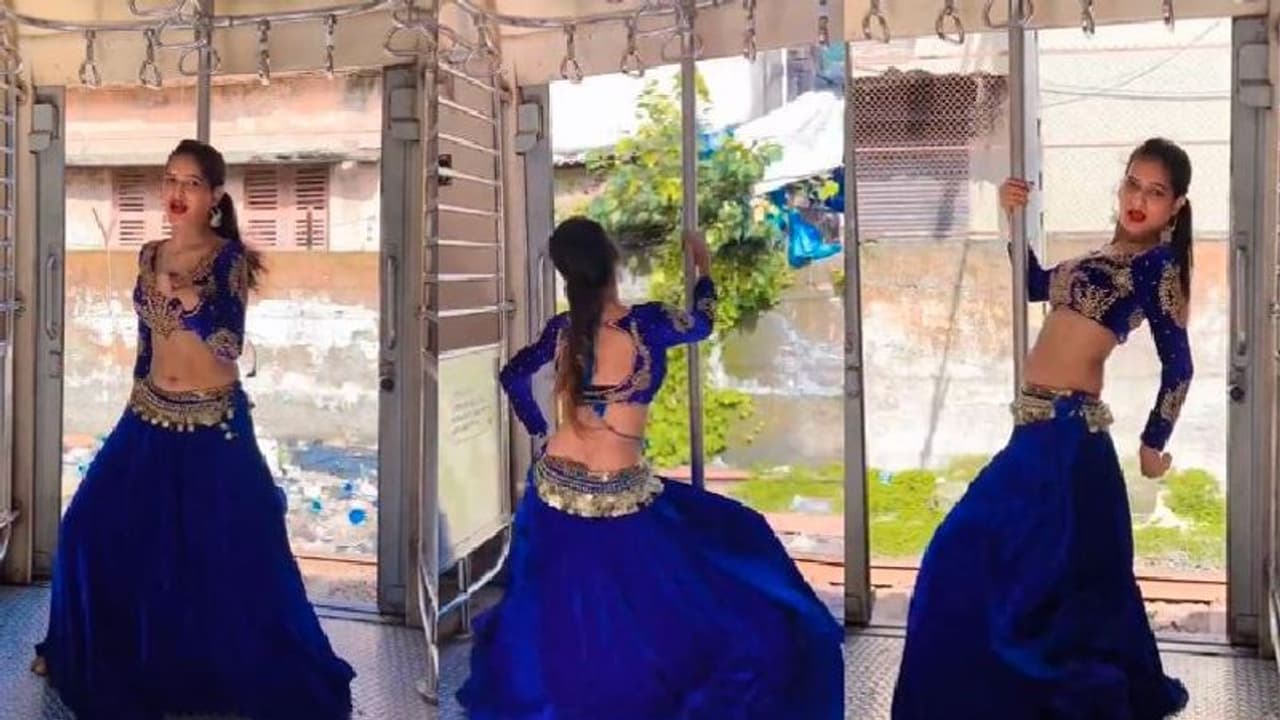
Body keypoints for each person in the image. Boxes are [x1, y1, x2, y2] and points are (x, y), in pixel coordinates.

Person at [457, 217, 844, 719]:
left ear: (566, 274)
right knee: (733, 546)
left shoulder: (561, 330)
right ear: (612, 261)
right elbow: (702, 321)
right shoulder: (649, 324)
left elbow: (513, 376)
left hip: (552, 491)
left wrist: (539, 429)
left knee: (558, 616)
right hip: (620, 497)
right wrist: (703, 267)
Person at [32, 139, 356, 720]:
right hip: (147, 414)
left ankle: (228, 672)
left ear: (215, 196)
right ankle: (82, 648)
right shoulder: (148, 253)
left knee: (233, 552)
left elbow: (229, 343)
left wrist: (188, 299)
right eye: (170, 180)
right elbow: (146, 340)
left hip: (214, 423)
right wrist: (135, 396)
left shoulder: (228, 259)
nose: (177, 192)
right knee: (85, 529)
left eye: (191, 183)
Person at [891, 137, 1194, 719]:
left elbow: (1178, 365)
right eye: (1133, 184)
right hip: (1036, 431)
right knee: (1028, 578)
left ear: (1175, 207)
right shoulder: (1097, 258)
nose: (1139, 200)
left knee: (972, 556)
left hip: (1068, 437)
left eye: (1155, 193)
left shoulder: (1154, 268)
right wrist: (1012, 216)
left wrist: (1153, 442)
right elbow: (1033, 282)